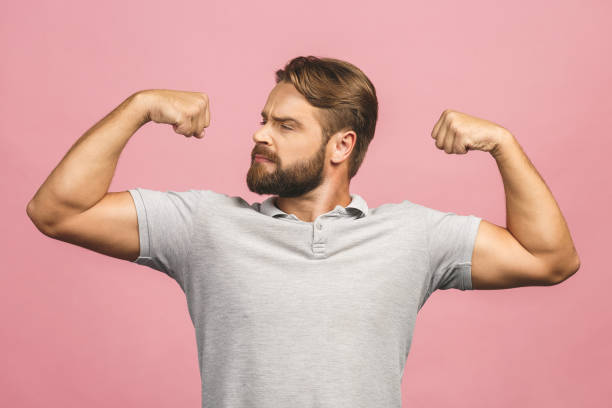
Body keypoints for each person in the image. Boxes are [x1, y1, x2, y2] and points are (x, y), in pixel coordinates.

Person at [26, 55, 580, 408]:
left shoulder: (413, 235)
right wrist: (139, 107)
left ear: (342, 145)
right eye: (264, 119)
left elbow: (550, 258)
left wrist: (503, 144)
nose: (259, 134)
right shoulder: (205, 225)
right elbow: (58, 211)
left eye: (285, 125)